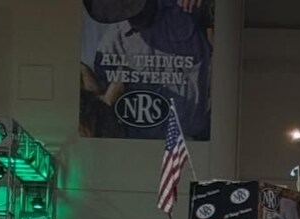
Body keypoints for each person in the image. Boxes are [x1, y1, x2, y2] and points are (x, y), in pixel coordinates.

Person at [81, 0, 214, 142]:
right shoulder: (111, 46)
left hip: (197, 140)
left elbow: (225, 20)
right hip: (144, 146)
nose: (133, 15)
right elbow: (108, 115)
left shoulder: (184, 9)